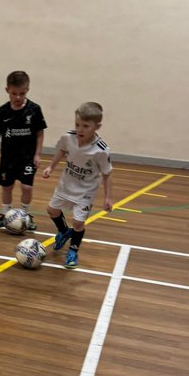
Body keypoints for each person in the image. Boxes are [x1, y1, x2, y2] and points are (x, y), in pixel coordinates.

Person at [42, 101, 113, 269]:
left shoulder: (101, 150)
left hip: (85, 192)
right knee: (52, 210)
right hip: (65, 185)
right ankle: (64, 231)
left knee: (78, 223)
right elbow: (61, 150)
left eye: (86, 126)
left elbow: (107, 174)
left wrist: (108, 197)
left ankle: (73, 250)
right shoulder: (68, 137)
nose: (80, 129)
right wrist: (50, 167)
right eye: (77, 124)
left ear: (97, 126)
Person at [0, 69, 46, 230]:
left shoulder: (34, 110)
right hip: (8, 158)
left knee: (26, 187)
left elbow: (39, 133)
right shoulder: (3, 111)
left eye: (22, 93)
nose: (18, 97)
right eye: (14, 93)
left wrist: (38, 154)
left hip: (27, 157)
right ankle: (6, 214)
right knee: (7, 186)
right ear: (7, 90)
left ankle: (25, 215)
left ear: (27, 90)